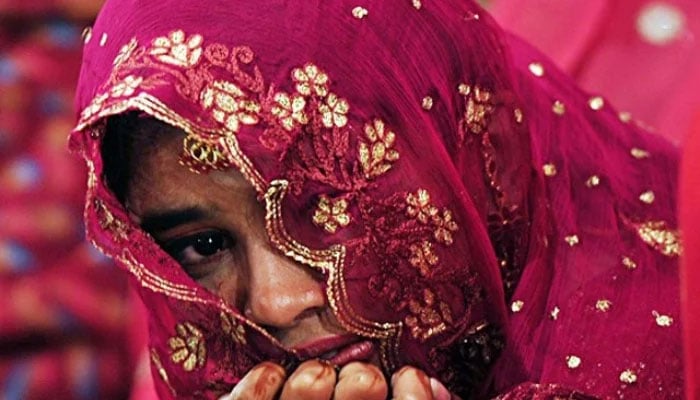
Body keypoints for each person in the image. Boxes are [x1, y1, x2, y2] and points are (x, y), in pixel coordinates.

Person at [70, 0, 684, 398]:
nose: (278, 303)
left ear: (462, 155)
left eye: (323, 208)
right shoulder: (193, 379)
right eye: (204, 245)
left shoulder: (676, 344)